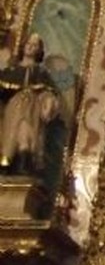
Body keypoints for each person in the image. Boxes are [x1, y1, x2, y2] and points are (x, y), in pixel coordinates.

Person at [0, 33, 60, 176]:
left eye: (35, 45)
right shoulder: (10, 71)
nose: (30, 47)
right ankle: (7, 161)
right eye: (28, 44)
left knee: (26, 131)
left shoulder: (40, 73)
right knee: (11, 133)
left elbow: (49, 93)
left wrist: (48, 102)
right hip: (12, 109)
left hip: (32, 110)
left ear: (39, 51)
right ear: (23, 46)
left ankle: (24, 159)